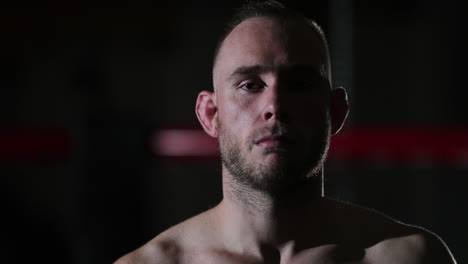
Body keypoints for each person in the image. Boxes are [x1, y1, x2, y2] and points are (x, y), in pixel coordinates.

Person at [115, 1, 456, 263]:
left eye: (299, 84)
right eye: (250, 85)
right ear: (210, 114)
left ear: (334, 112)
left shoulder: (408, 257)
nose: (275, 105)